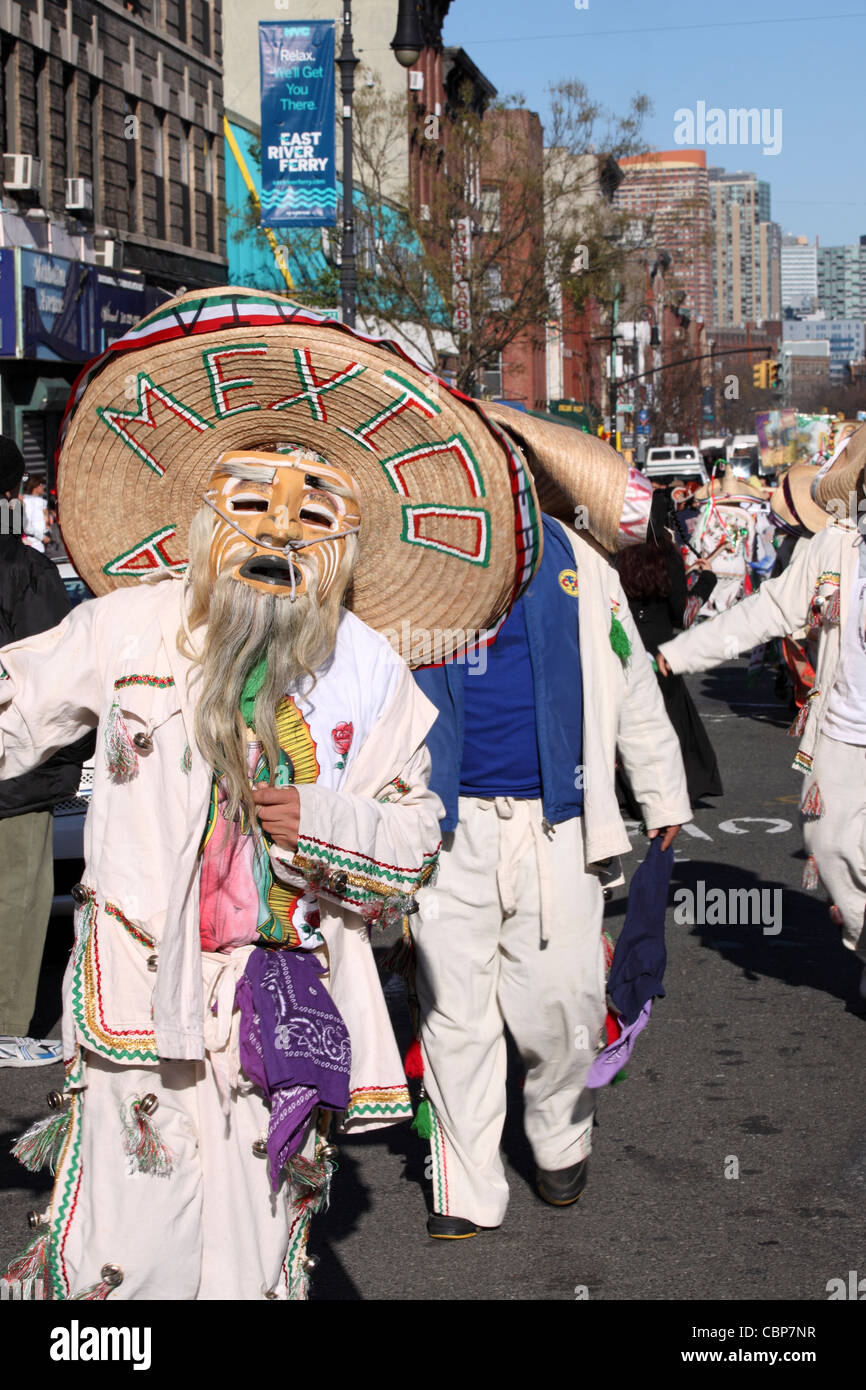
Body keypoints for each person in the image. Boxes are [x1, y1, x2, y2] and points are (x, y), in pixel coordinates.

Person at [0, 288, 541, 1299]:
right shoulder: (126, 629)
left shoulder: (371, 669)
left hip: (278, 999)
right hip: (140, 992)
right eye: (252, 502)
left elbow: (416, 833)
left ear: (345, 540)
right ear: (209, 516)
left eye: (312, 509)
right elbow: (13, 709)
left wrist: (325, 820)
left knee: (252, 1244)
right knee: (128, 1248)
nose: (279, 527)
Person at [411, 406, 692, 1237]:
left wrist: (664, 796)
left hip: (558, 826)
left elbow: (632, 684)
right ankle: (465, 1189)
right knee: (455, 1015)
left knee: (561, 1010)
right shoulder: (414, 566)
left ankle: (559, 1136)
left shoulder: (581, 568)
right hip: (446, 829)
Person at [657, 425, 866, 998]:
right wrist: (675, 655)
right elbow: (766, 610)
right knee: (830, 848)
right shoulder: (838, 545)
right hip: (844, 732)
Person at [0, 436, 90, 1068]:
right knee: (18, 896)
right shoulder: (24, 570)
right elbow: (58, 681)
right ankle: (7, 1026)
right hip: (14, 773)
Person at [615, 493, 722, 811]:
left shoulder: (616, 553)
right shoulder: (668, 556)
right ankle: (671, 793)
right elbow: (683, 615)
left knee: (628, 724)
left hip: (624, 646)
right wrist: (705, 581)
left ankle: (629, 794)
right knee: (670, 725)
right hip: (661, 653)